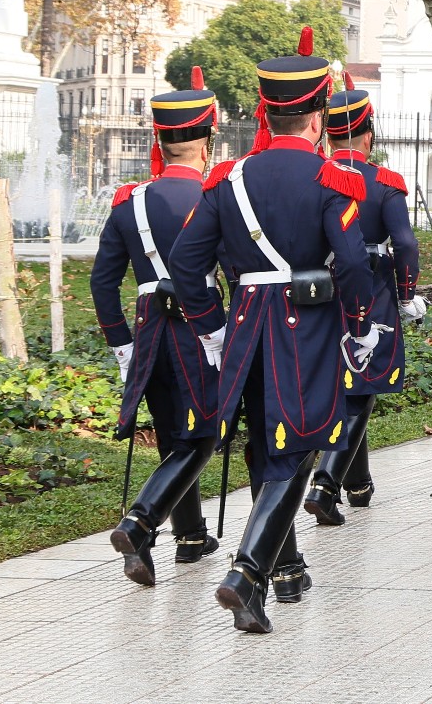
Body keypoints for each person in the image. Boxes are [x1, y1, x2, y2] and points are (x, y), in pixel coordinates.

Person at [164, 31, 377, 633]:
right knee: (303, 444)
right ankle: (248, 569)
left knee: (264, 441)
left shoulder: (226, 180)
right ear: (316, 117)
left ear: (268, 111)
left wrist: (210, 325)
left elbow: (186, 263)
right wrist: (361, 324)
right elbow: (355, 264)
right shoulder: (334, 180)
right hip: (305, 325)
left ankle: (281, 573)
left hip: (245, 324)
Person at [93, 69, 226, 587]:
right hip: (198, 325)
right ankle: (141, 520)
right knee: (203, 434)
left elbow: (103, 284)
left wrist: (122, 344)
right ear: (205, 141)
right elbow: (233, 269)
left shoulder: (129, 202)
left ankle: (190, 537)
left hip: (148, 329)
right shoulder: (215, 198)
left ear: (163, 140)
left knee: (175, 430)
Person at [305, 88, 421, 528]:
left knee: (343, 383)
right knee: (363, 386)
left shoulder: (316, 175)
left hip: (319, 288)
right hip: (371, 287)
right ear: (368, 134)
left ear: (329, 136)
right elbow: (406, 243)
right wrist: (407, 293)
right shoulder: (384, 181)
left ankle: (358, 483)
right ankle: (326, 481)